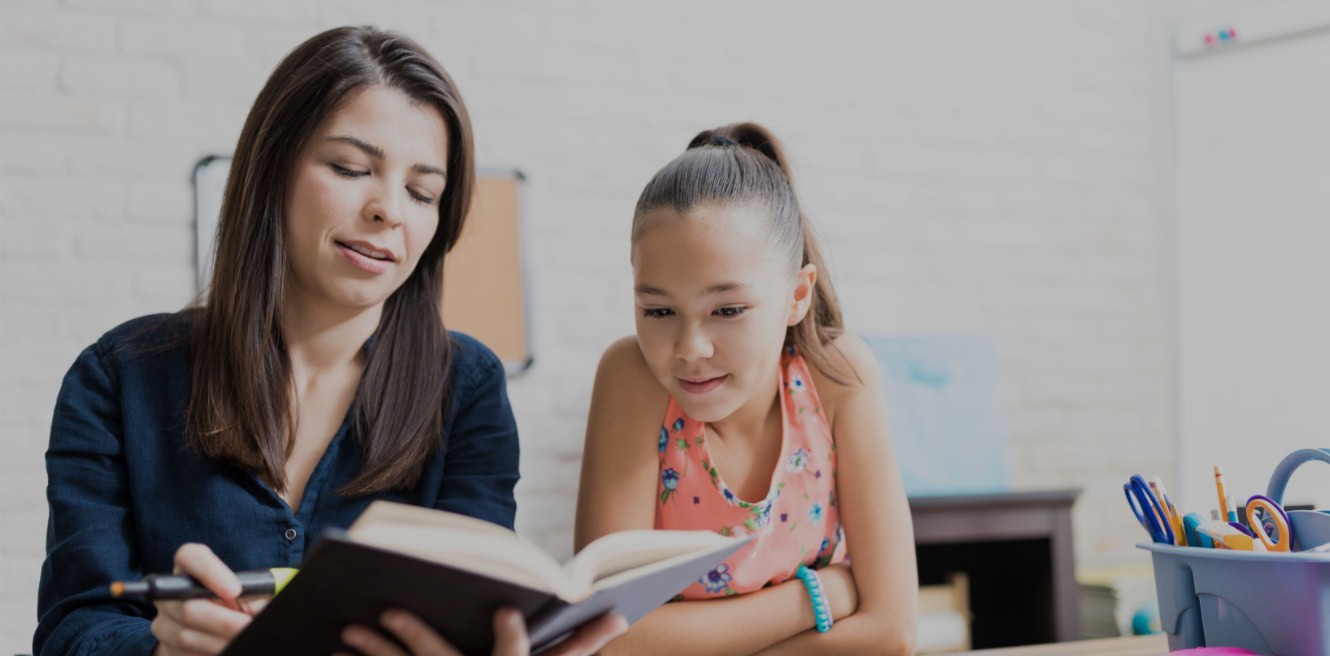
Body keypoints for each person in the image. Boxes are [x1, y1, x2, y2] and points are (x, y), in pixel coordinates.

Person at [35, 26, 624, 656]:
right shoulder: (119, 377)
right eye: (350, 168)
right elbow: (73, 628)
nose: (389, 210)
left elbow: (468, 613)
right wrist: (164, 651)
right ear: (272, 170)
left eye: (422, 192)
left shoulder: (467, 386)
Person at [575, 123, 918, 654]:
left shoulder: (839, 376)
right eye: (659, 310)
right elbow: (606, 639)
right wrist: (821, 594)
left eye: (728, 310)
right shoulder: (632, 377)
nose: (690, 348)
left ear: (797, 295)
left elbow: (892, 631)